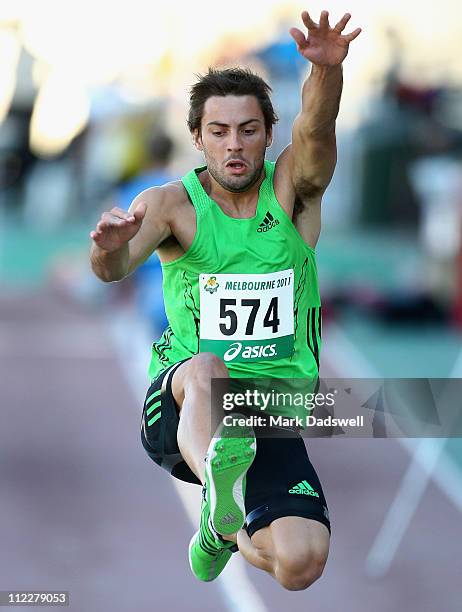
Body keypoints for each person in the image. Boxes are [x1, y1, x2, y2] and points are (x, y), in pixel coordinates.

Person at [90, 9, 361, 591]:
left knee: (301, 564)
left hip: (269, 410)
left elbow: (315, 133)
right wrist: (108, 248)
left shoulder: (292, 193)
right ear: (198, 138)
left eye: (248, 130)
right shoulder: (169, 206)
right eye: (219, 131)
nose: (234, 145)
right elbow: (112, 271)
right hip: (185, 407)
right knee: (211, 369)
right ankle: (218, 487)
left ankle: (219, 533)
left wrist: (326, 74)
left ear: (267, 134)